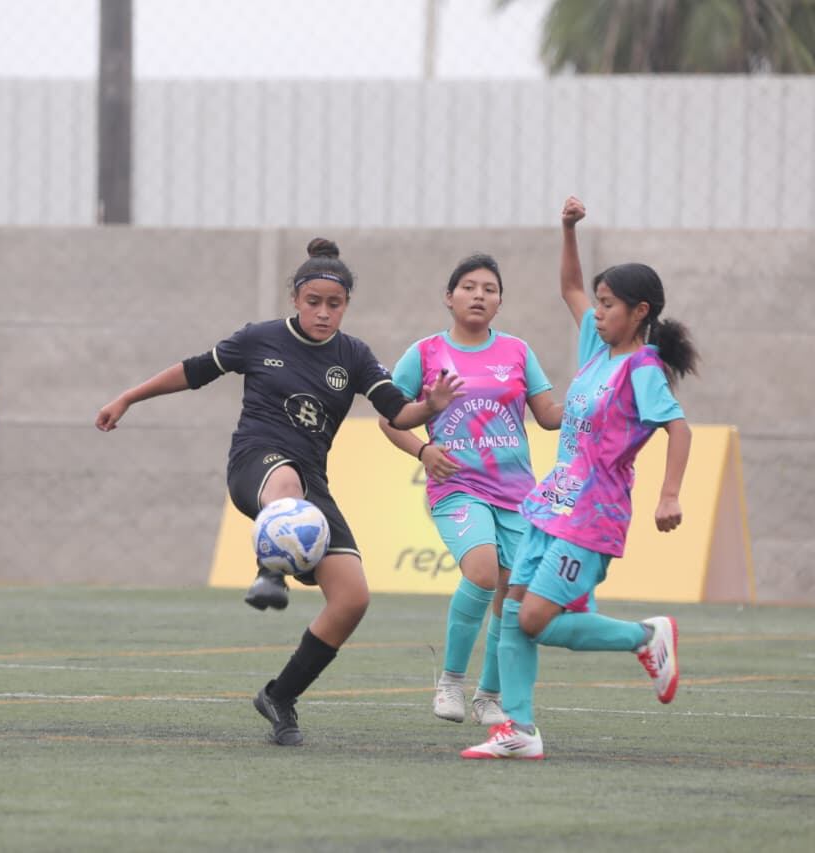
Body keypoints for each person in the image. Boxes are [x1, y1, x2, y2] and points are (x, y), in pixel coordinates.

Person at [95, 238, 464, 746]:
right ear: (295, 298)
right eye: (313, 302)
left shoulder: (353, 356)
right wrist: (128, 397)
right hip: (256, 465)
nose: (323, 312)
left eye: (334, 305)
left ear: (346, 306)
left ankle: (280, 696)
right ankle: (271, 567)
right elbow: (195, 370)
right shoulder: (260, 339)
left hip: (313, 483)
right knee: (286, 484)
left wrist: (433, 407)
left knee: (353, 598)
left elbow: (400, 413)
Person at [462, 197, 697, 760]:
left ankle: (646, 636)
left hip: (593, 515)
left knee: (536, 618)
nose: (595, 312)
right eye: (597, 302)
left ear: (639, 312)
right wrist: (567, 230)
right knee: (514, 610)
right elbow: (569, 286)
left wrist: (670, 495)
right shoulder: (598, 347)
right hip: (551, 504)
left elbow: (679, 429)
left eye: (608, 304)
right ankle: (517, 731)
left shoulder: (642, 369)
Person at [379, 253, 586, 727]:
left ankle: (488, 695)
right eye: (469, 287)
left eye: (489, 289)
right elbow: (389, 417)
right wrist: (422, 451)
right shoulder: (426, 353)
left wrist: (588, 398)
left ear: (499, 303)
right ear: (449, 298)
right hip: (458, 487)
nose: (478, 295)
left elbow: (550, 415)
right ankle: (450, 681)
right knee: (481, 572)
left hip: (517, 494)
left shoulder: (516, 351)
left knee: (514, 597)